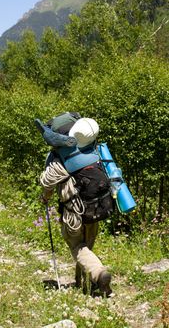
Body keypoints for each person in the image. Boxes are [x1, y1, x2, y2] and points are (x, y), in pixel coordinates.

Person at [39, 113, 113, 297]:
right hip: (95, 206)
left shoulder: (57, 157)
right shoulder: (92, 150)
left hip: (73, 210)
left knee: (77, 246)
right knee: (87, 244)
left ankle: (98, 273)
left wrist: (45, 197)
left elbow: (48, 183)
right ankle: (85, 283)